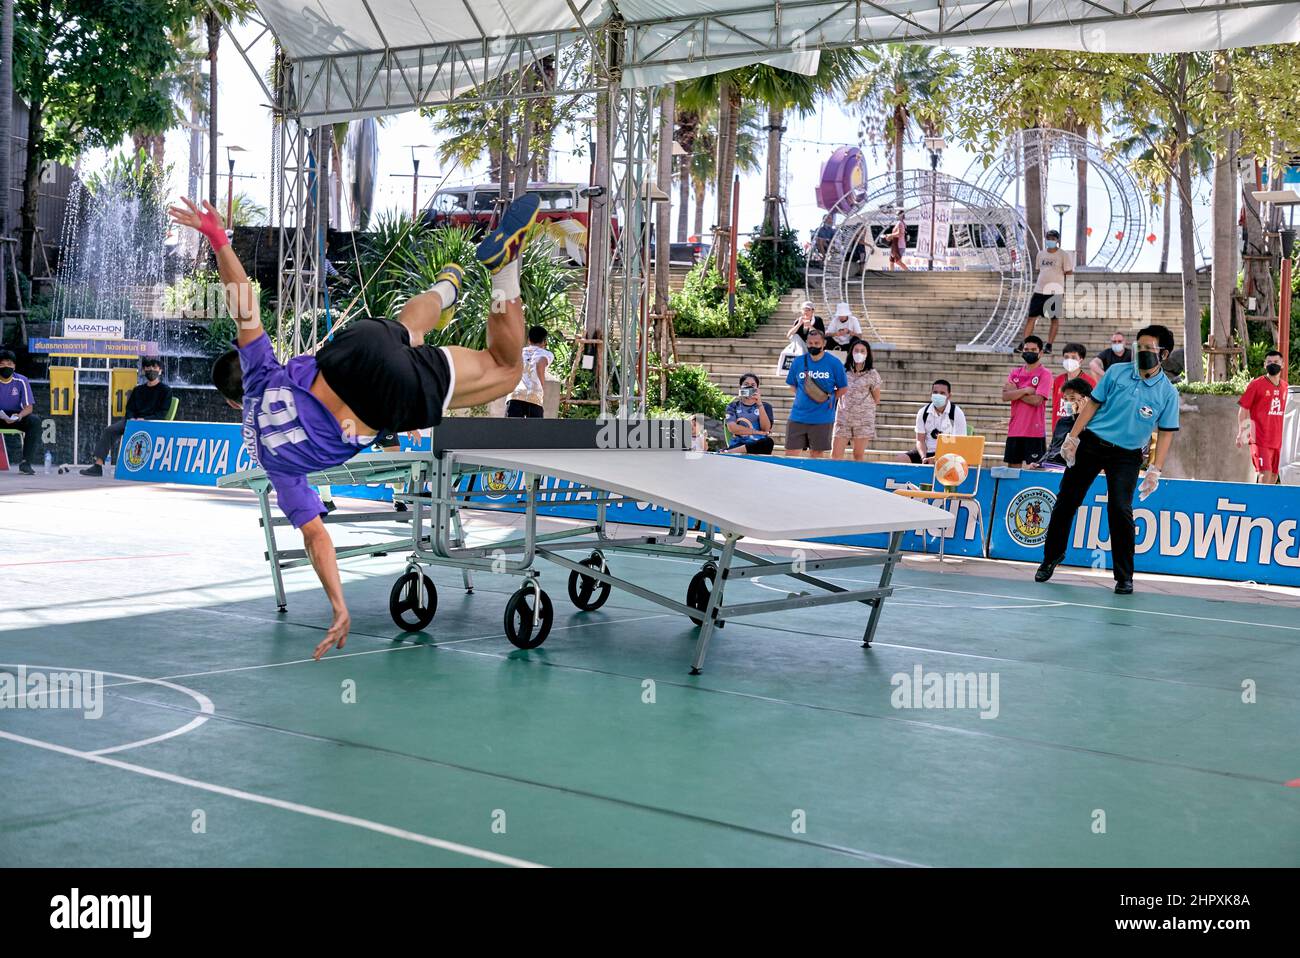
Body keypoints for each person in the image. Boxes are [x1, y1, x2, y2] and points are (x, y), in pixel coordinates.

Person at [169, 193, 542, 659]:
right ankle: (447, 287)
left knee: (505, 370)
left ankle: (504, 270)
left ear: (231, 402)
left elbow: (316, 537)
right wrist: (220, 240)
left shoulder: (271, 462)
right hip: (353, 350)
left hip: (379, 398)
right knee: (407, 328)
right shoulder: (262, 371)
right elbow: (244, 306)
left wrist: (338, 605)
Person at [1035, 324, 1180, 596]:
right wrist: (1073, 437)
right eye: (1139, 347)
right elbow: (1092, 404)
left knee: (1120, 510)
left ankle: (1124, 577)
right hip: (1092, 443)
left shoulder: (1168, 393)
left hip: (1127, 455)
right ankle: (1051, 557)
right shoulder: (1116, 372)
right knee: (1067, 499)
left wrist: (1155, 469)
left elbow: (1167, 433)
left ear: (1164, 354)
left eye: (1149, 348)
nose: (1142, 352)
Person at [81, 357, 174, 476]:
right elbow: (129, 409)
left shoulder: (165, 390)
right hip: (132, 422)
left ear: (160, 370)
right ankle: (98, 466)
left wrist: (145, 420)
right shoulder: (138, 390)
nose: (151, 370)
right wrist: (132, 419)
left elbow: (162, 414)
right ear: (144, 370)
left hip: (152, 423)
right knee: (110, 430)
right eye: (148, 368)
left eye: (155, 368)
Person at [784, 327, 847, 459]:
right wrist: (804, 396)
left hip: (822, 418)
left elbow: (843, 388)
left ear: (824, 344)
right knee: (790, 455)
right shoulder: (798, 362)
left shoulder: (834, 363)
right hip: (797, 416)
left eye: (817, 343)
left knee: (816, 456)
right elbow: (792, 385)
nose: (813, 346)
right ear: (806, 343)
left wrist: (829, 399)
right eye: (810, 343)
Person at [1236, 348, 1288, 484]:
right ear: (1265, 365)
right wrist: (1243, 432)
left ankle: (1267, 505)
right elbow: (1243, 409)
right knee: (1264, 474)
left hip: (1277, 441)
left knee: (1274, 477)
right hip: (1259, 439)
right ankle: (1258, 505)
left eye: (1276, 362)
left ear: (1282, 364)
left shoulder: (1285, 387)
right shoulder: (1256, 385)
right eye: (1269, 362)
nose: (1272, 364)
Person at [1002, 335, 1053, 468]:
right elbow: (1005, 396)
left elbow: (1037, 400)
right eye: (1026, 349)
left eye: (1033, 349)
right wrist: (1025, 390)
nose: (1029, 352)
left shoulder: (1045, 374)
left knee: (1035, 471)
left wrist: (1016, 391)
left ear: (1040, 353)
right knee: (1012, 471)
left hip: (1034, 431)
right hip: (1014, 430)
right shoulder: (1015, 372)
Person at [1022, 229, 1073, 353]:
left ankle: (1049, 345)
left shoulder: (1063, 255)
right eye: (1048, 238)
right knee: (1031, 318)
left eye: (1053, 238)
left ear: (1057, 240)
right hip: (1039, 290)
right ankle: (1025, 344)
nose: (1050, 240)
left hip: (1055, 291)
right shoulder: (1041, 254)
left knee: (1054, 318)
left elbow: (1069, 272)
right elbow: (1039, 270)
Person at [833, 339, 882, 461]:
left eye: (862, 351)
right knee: (836, 455)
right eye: (856, 350)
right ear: (851, 352)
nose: (859, 353)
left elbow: (877, 398)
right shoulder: (843, 371)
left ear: (867, 354)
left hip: (863, 421)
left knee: (858, 455)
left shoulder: (872, 374)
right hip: (843, 418)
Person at [897, 379, 967, 464]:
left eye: (942, 393)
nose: (938, 395)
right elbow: (920, 440)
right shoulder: (923, 412)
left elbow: (960, 443)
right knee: (900, 458)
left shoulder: (957, 413)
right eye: (935, 392)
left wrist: (936, 458)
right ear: (931, 394)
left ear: (949, 396)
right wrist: (923, 457)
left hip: (948, 453)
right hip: (926, 451)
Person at [0, 350, 41, 474]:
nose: (6, 366)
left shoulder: (22, 380)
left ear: (14, 366)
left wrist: (19, 416)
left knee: (34, 421)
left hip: (15, 416)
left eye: (9, 364)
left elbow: (29, 407)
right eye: (2, 364)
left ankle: (25, 463)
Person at [1042, 376, 1093, 468]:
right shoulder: (1062, 421)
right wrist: (1039, 463)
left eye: (1072, 399)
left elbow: (1080, 448)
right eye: (1065, 399)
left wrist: (1080, 416)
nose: (1068, 403)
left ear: (1085, 400)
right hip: (1050, 465)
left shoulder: (1093, 424)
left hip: (1068, 468)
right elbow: (1051, 449)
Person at [505, 325, 552, 418]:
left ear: (529, 340)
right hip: (534, 396)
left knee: (510, 430)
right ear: (545, 341)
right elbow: (540, 364)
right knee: (534, 431)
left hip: (515, 395)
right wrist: (542, 386)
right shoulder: (546, 354)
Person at [723, 372, 775, 455]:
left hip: (758, 444)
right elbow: (732, 428)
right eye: (746, 384)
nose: (749, 387)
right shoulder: (732, 406)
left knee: (768, 442)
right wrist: (756, 432)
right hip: (738, 445)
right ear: (740, 388)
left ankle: (728, 452)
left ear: (757, 388)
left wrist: (759, 404)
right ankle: (732, 451)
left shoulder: (766, 406)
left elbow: (765, 429)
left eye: (753, 385)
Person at [1051, 343, 1096, 434]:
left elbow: (1092, 408)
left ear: (1081, 360)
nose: (1069, 360)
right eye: (1066, 357)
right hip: (1059, 429)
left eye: (1073, 357)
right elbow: (1055, 405)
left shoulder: (1090, 382)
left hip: (1079, 430)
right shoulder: (1058, 380)